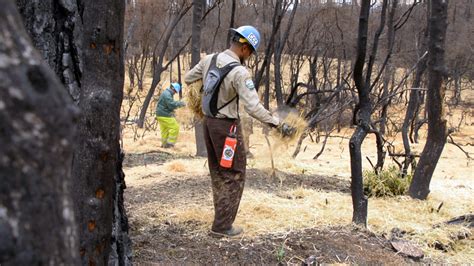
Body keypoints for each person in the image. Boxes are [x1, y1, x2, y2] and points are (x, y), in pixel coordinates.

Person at [184, 25, 293, 237]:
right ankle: (223, 227)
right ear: (244, 48)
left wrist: (205, 93)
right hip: (226, 129)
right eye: (250, 52)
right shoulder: (239, 72)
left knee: (218, 171)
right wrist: (277, 123)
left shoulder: (209, 60)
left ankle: (220, 220)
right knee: (234, 173)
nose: (249, 57)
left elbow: (189, 78)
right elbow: (253, 107)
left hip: (208, 124)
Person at [156, 82, 185, 148]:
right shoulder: (167, 94)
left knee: (164, 130)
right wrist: (181, 104)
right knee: (175, 127)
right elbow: (171, 105)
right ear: (173, 89)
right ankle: (170, 144)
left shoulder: (166, 93)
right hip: (164, 115)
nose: (175, 93)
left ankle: (164, 145)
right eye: (175, 91)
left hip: (160, 114)